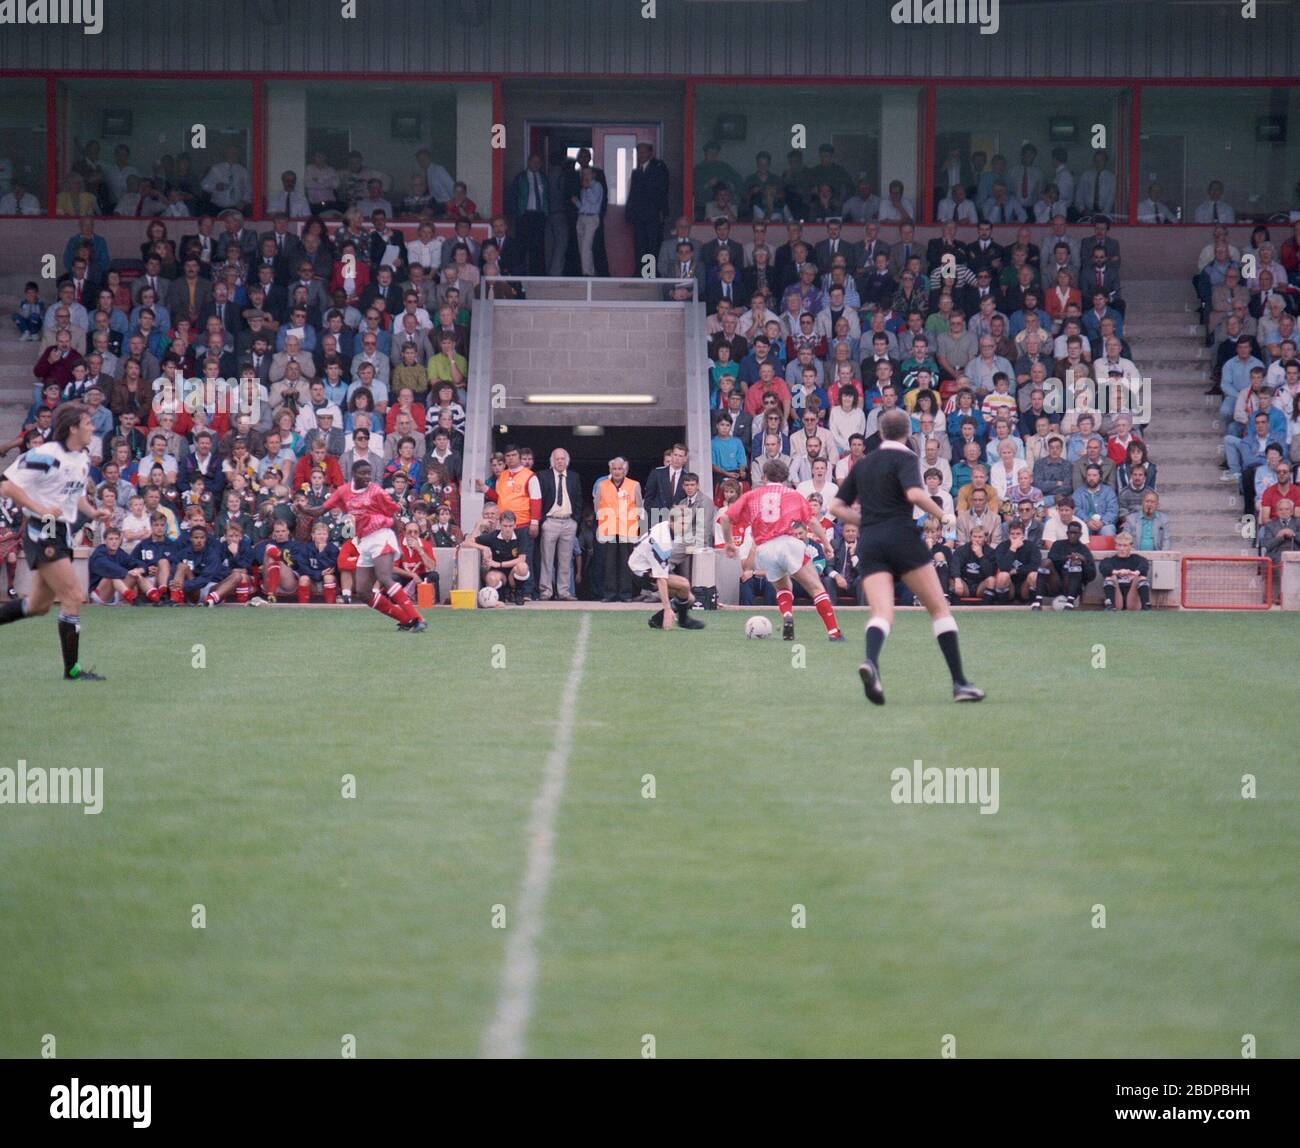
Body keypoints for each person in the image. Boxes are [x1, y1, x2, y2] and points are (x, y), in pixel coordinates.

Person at [829, 407, 984, 705]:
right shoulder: (907, 458)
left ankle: (871, 662)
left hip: (870, 542)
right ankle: (959, 683)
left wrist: (867, 521)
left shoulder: (863, 464)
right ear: (907, 433)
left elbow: (836, 507)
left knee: (882, 612)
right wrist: (942, 515)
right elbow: (914, 495)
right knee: (939, 609)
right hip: (901, 537)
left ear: (881, 432)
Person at [0, 404, 110, 680]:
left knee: (38, 605)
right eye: (88, 423)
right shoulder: (46, 455)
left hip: (62, 530)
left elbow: (74, 495)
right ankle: (72, 670)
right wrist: (40, 508)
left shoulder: (82, 458)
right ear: (73, 427)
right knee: (74, 595)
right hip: (44, 527)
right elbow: (7, 485)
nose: (92, 428)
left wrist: (91, 511)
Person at [717, 458, 843, 643]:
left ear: (764, 476)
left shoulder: (752, 495)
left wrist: (728, 543)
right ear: (784, 477)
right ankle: (833, 632)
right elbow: (813, 521)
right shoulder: (792, 494)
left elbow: (726, 518)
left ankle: (787, 616)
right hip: (789, 542)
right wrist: (826, 544)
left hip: (765, 549)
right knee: (816, 588)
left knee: (783, 588)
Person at [297, 459, 425, 630]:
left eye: (369, 473)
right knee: (364, 592)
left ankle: (418, 618)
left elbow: (394, 512)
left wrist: (395, 533)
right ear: (353, 474)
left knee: (384, 577)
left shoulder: (376, 491)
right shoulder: (343, 491)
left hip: (381, 534)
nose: (367, 477)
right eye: (363, 473)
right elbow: (321, 509)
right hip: (364, 540)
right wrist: (304, 510)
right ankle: (405, 619)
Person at [628, 504, 705, 631]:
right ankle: (680, 620)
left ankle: (656, 620)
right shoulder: (662, 541)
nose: (685, 527)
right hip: (640, 572)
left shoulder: (667, 527)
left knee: (689, 598)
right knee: (684, 584)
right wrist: (667, 609)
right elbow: (661, 579)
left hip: (648, 564)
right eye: (682, 523)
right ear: (672, 522)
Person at [1036, 517, 1096, 610]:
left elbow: (1092, 575)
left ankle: (1070, 603)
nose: (1072, 535)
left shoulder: (1084, 550)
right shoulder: (1058, 545)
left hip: (1073, 585)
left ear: (1080, 534)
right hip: (1056, 582)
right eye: (1070, 532)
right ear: (1067, 533)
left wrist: (1083, 561)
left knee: (1075, 563)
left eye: (1075, 533)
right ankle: (1037, 601)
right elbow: (1052, 558)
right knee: (1045, 562)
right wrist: (1067, 558)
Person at [1099, 532, 1152, 612]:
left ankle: (1146, 607)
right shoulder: (1110, 560)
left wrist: (1134, 573)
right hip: (1117, 597)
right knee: (1109, 578)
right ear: (1116, 546)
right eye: (1119, 545)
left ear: (1130, 546)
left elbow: (1144, 565)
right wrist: (1117, 572)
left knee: (1142, 577)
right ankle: (1110, 606)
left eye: (1125, 545)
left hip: (1133, 597)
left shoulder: (1137, 559)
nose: (1122, 549)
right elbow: (1103, 568)